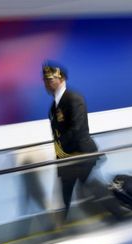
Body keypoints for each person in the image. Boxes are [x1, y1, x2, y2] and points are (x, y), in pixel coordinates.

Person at [42, 62, 118, 226]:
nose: (47, 83)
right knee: (67, 190)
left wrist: (63, 150)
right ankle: (60, 225)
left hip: (81, 154)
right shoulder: (54, 105)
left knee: (91, 187)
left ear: (61, 79)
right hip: (67, 157)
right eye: (45, 80)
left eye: (50, 79)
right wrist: (60, 156)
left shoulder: (74, 99)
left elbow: (77, 129)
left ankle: (120, 214)